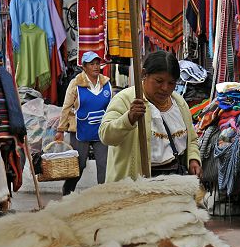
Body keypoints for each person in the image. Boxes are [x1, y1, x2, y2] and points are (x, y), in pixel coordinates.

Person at [99, 50, 201, 181]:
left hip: (175, 182)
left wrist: (193, 159)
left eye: (171, 83)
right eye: (159, 81)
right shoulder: (125, 99)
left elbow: (192, 139)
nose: (165, 88)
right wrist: (128, 118)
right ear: (143, 74)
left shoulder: (179, 103)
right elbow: (106, 136)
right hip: (134, 188)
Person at [55, 51, 112, 195]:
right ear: (84, 67)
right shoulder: (76, 83)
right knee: (79, 164)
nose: (95, 66)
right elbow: (66, 107)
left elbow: (112, 106)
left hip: (101, 130)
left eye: (97, 63)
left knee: (104, 164)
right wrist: (60, 129)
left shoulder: (106, 83)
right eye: (92, 64)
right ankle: (68, 191)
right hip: (80, 130)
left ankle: (103, 195)